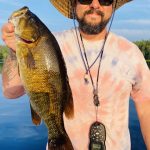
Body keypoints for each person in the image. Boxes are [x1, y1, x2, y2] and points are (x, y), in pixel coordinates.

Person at [1, 0, 150, 149]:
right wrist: (15, 53)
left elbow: (146, 110)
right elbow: (10, 92)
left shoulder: (131, 53)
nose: (95, 5)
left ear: (113, 5)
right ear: (73, 4)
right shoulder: (52, 44)